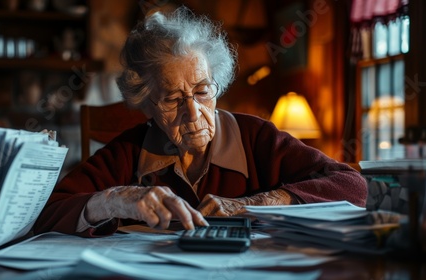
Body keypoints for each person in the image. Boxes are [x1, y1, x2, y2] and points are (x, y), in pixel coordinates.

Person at [34, 6, 367, 237]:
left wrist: (260, 202)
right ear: (146, 104)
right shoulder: (129, 152)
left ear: (217, 85)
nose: (193, 113)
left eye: (203, 91)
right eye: (171, 99)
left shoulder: (256, 137)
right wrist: (113, 200)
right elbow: (47, 214)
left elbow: (354, 185)